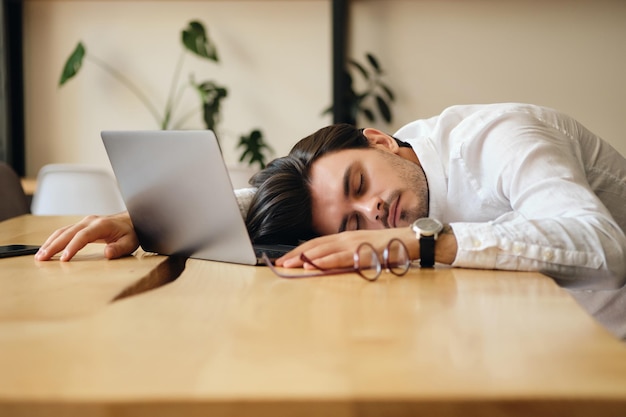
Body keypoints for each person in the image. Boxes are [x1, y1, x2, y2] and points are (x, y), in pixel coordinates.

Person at [35, 103, 626, 339]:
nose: (370, 214)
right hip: (527, 336)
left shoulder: (502, 139)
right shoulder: (377, 170)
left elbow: (602, 243)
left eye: (360, 186)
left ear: (382, 141)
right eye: (350, 222)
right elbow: (312, 193)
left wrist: (418, 242)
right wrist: (151, 217)